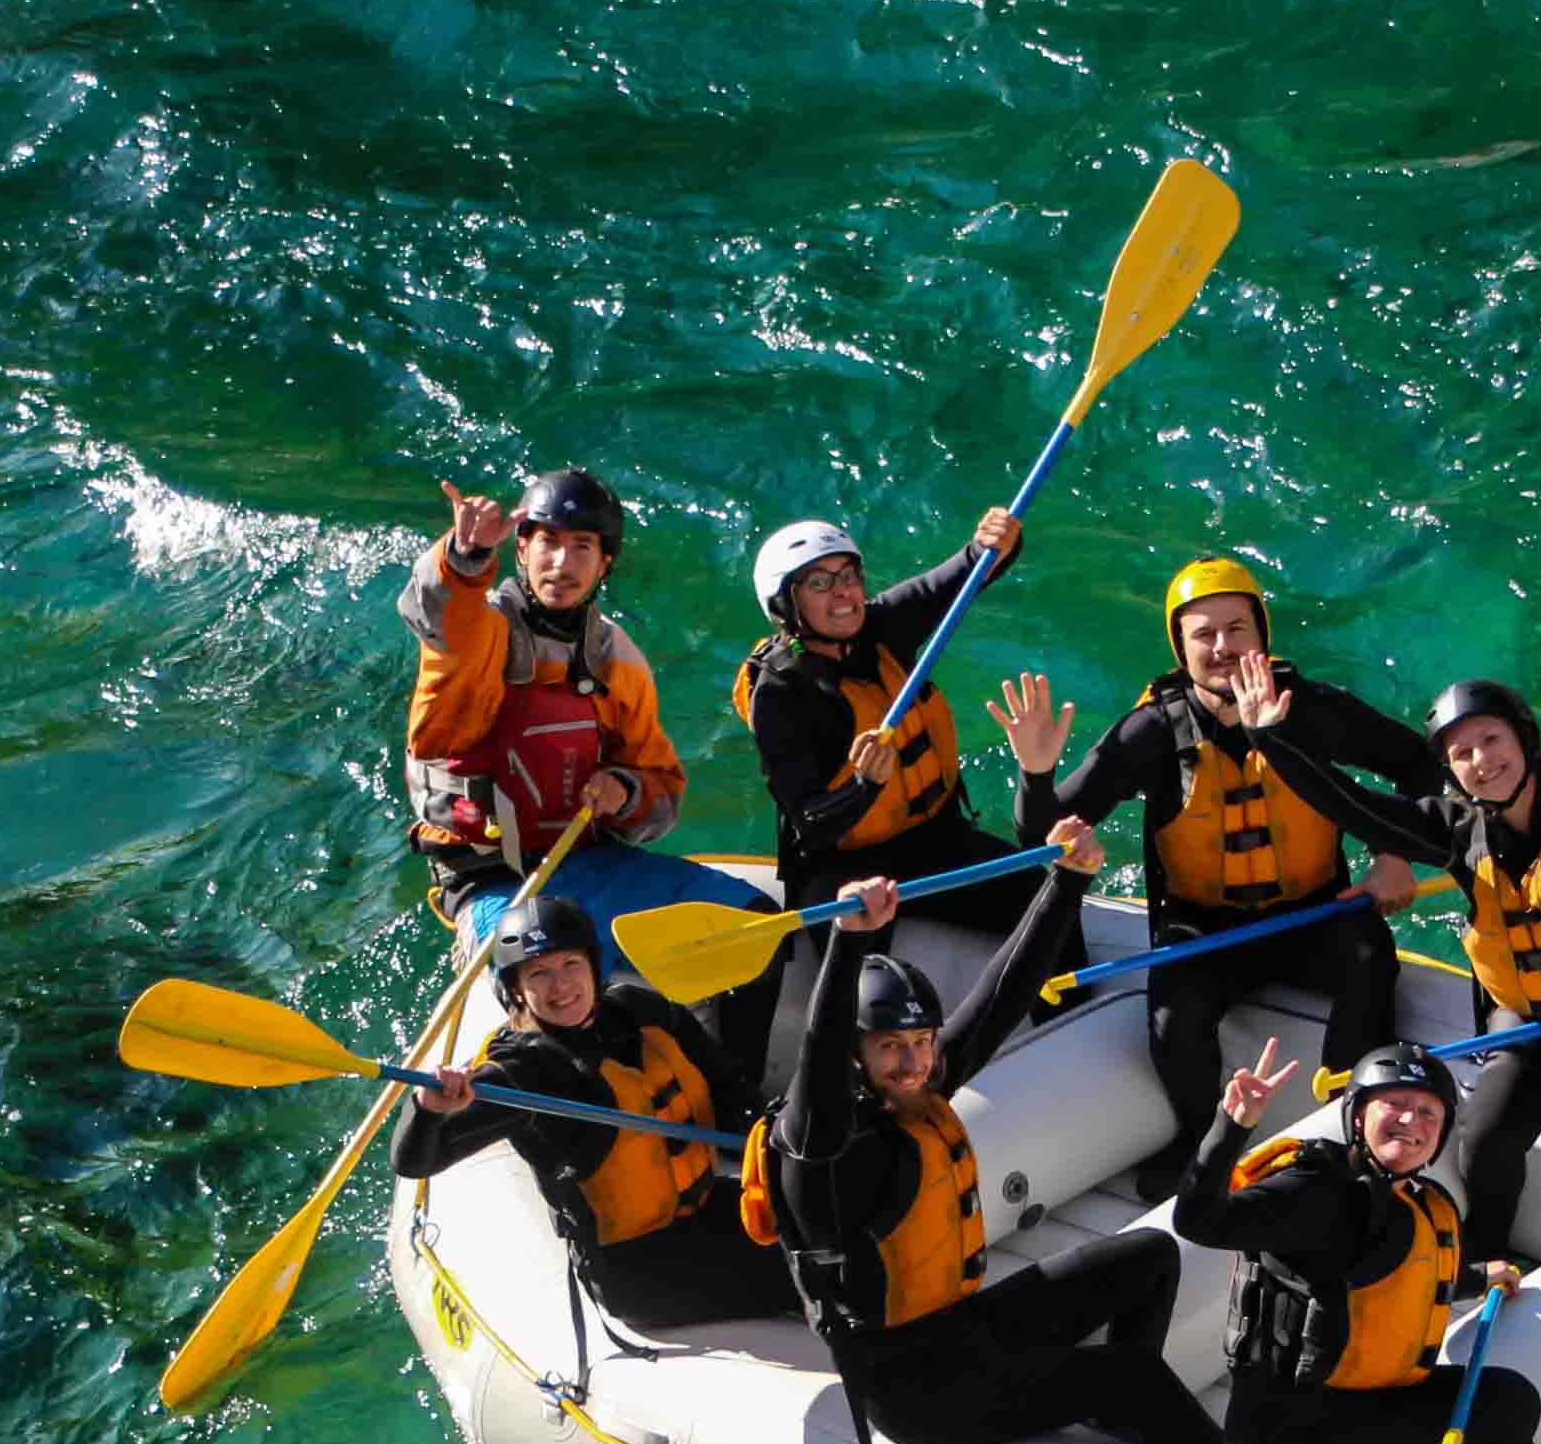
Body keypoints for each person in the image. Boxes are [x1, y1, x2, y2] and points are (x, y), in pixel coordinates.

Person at [768, 821, 1223, 1444]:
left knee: (1149, 1257)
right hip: (918, 1397)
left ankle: (1127, 1402)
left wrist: (1066, 883)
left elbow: (1002, 994)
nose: (913, 1061)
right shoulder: (825, 1149)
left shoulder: (920, 1086)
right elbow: (817, 1049)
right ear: (855, 1055)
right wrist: (849, 941)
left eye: (921, 1041)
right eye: (890, 1046)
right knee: (1119, 1375)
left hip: (965, 1332)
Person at [994, 557, 1439, 1197]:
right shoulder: (1152, 732)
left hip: (1313, 914)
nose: (1224, 648)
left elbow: (1416, 764)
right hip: (1204, 930)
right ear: (1181, 649)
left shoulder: (1308, 711)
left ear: (1262, 635)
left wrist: (1390, 854)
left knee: (1371, 956)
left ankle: (1344, 1135)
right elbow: (1046, 832)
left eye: (1237, 629)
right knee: (1176, 1016)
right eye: (1204, 635)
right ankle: (1195, 1140)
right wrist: (1035, 774)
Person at [1221, 660, 1541, 1260]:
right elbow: (1354, 805)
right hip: (1538, 1029)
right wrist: (1273, 741)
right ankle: (1481, 1261)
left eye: (1492, 740)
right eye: (1461, 753)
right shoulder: (1457, 833)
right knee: (1484, 1135)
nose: (1481, 761)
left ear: (1524, 739)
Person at [1172, 1038, 1541, 1444]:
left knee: (1509, 1399)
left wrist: (1478, 1278)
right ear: (1356, 1116)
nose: (1412, 1122)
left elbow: (1399, 1279)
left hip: (1362, 1410)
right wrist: (1231, 1127)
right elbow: (1200, 1221)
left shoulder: (1413, 1199)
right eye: (1394, 1104)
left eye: (1428, 1113)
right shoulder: (1314, 1190)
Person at [401, 470, 778, 961]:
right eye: (548, 543)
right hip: (490, 882)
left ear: (605, 564)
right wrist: (464, 556)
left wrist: (625, 792)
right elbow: (435, 613)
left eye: (582, 547)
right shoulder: (475, 637)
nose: (562, 562)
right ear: (521, 550)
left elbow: (661, 791)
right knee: (549, 971)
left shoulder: (617, 659)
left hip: (589, 862)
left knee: (755, 921)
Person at [391, 896, 795, 1334]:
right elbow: (414, 1161)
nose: (560, 986)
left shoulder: (641, 1011)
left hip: (705, 1209)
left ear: (593, 966)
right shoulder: (524, 1074)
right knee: (823, 1271)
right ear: (514, 990)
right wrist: (427, 1109)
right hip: (641, 1273)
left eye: (571, 965)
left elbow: (732, 1094)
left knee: (836, 1224)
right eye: (539, 974)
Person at [736, 513, 1075, 954]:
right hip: (843, 867)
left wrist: (997, 542)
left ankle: (1066, 1006)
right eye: (818, 583)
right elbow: (812, 825)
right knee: (865, 972)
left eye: (849, 576)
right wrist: (864, 786)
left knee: (1044, 896)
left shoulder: (882, 626)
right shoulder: (780, 694)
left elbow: (967, 572)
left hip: (931, 841)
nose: (842, 592)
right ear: (785, 604)